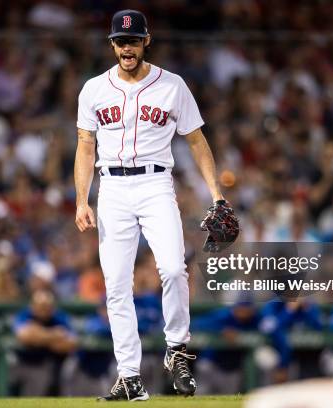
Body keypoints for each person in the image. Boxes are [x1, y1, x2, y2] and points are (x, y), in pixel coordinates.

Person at [74, 9, 232, 401]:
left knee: (174, 269)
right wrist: (81, 199)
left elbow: (197, 141)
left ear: (147, 41)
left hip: (156, 182)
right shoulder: (93, 88)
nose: (127, 47)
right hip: (111, 188)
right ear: (112, 44)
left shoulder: (172, 85)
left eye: (134, 40)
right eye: (121, 41)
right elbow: (84, 146)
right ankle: (129, 376)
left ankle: (177, 348)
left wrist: (217, 194)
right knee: (116, 286)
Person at [11, 289, 77, 396]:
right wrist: (54, 335)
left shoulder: (59, 317)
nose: (44, 309)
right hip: (23, 360)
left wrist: (37, 334)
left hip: (47, 364)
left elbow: (71, 344)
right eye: (40, 306)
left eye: (47, 306)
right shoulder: (25, 314)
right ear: (33, 306)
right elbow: (24, 337)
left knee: (42, 377)